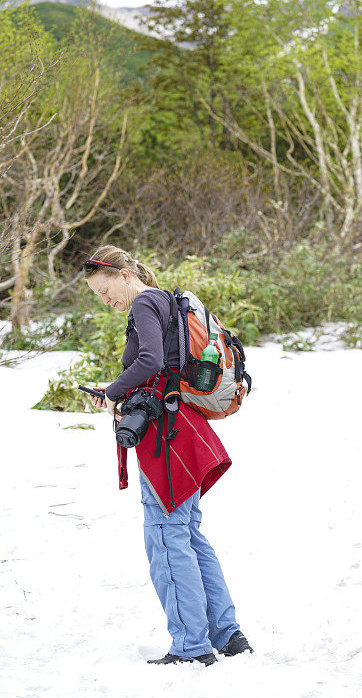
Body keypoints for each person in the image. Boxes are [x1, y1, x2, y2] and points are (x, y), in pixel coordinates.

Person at [82, 245, 253, 666]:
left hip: (166, 437)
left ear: (123, 274)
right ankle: (227, 635)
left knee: (166, 534)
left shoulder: (143, 301)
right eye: (99, 298)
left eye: (105, 291)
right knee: (189, 533)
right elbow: (159, 365)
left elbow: (150, 360)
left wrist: (112, 391)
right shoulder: (165, 303)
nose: (107, 301)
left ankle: (191, 646)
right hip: (185, 427)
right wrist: (122, 390)